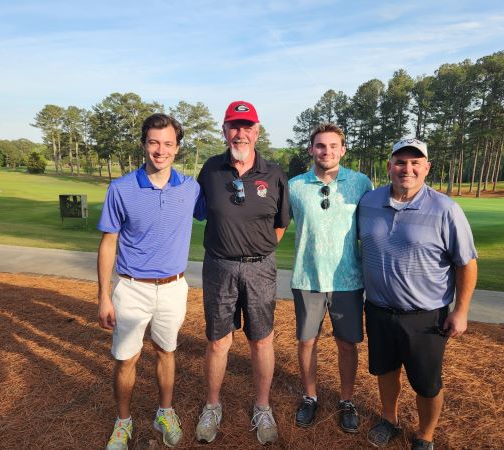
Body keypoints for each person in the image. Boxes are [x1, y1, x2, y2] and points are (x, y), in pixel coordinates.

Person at [358, 138, 478, 450]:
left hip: (425, 317)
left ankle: (425, 434)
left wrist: (461, 311)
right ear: (389, 167)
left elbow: (467, 263)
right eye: (400, 162)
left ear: (426, 168)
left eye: (415, 163)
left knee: (426, 383)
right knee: (385, 371)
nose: (407, 169)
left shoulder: (446, 209)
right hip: (379, 309)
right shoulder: (369, 202)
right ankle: (389, 419)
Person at [97, 113, 203, 450]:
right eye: (154, 142)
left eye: (168, 143)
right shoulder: (121, 188)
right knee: (126, 358)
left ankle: (164, 412)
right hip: (131, 288)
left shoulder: (191, 188)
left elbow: (221, 212)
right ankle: (123, 422)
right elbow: (108, 242)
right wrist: (103, 296)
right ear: (144, 144)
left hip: (174, 288)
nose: (161, 150)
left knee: (166, 352)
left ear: (177, 148)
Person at [195, 100, 290, 445]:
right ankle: (212, 405)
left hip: (260, 269)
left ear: (257, 131)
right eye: (234, 126)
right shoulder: (210, 169)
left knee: (261, 339)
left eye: (247, 126)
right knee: (219, 340)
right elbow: (198, 211)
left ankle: (262, 406)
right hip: (218, 266)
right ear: (224, 130)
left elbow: (280, 226)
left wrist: (255, 252)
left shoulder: (275, 174)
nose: (241, 133)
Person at [288, 123, 373, 433]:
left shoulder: (361, 183)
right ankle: (309, 396)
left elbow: (372, 230)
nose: (326, 151)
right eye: (320, 146)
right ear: (311, 150)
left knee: (347, 343)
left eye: (333, 146)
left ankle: (347, 400)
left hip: (348, 280)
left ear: (343, 149)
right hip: (307, 278)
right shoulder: (295, 185)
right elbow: (275, 225)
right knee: (307, 342)